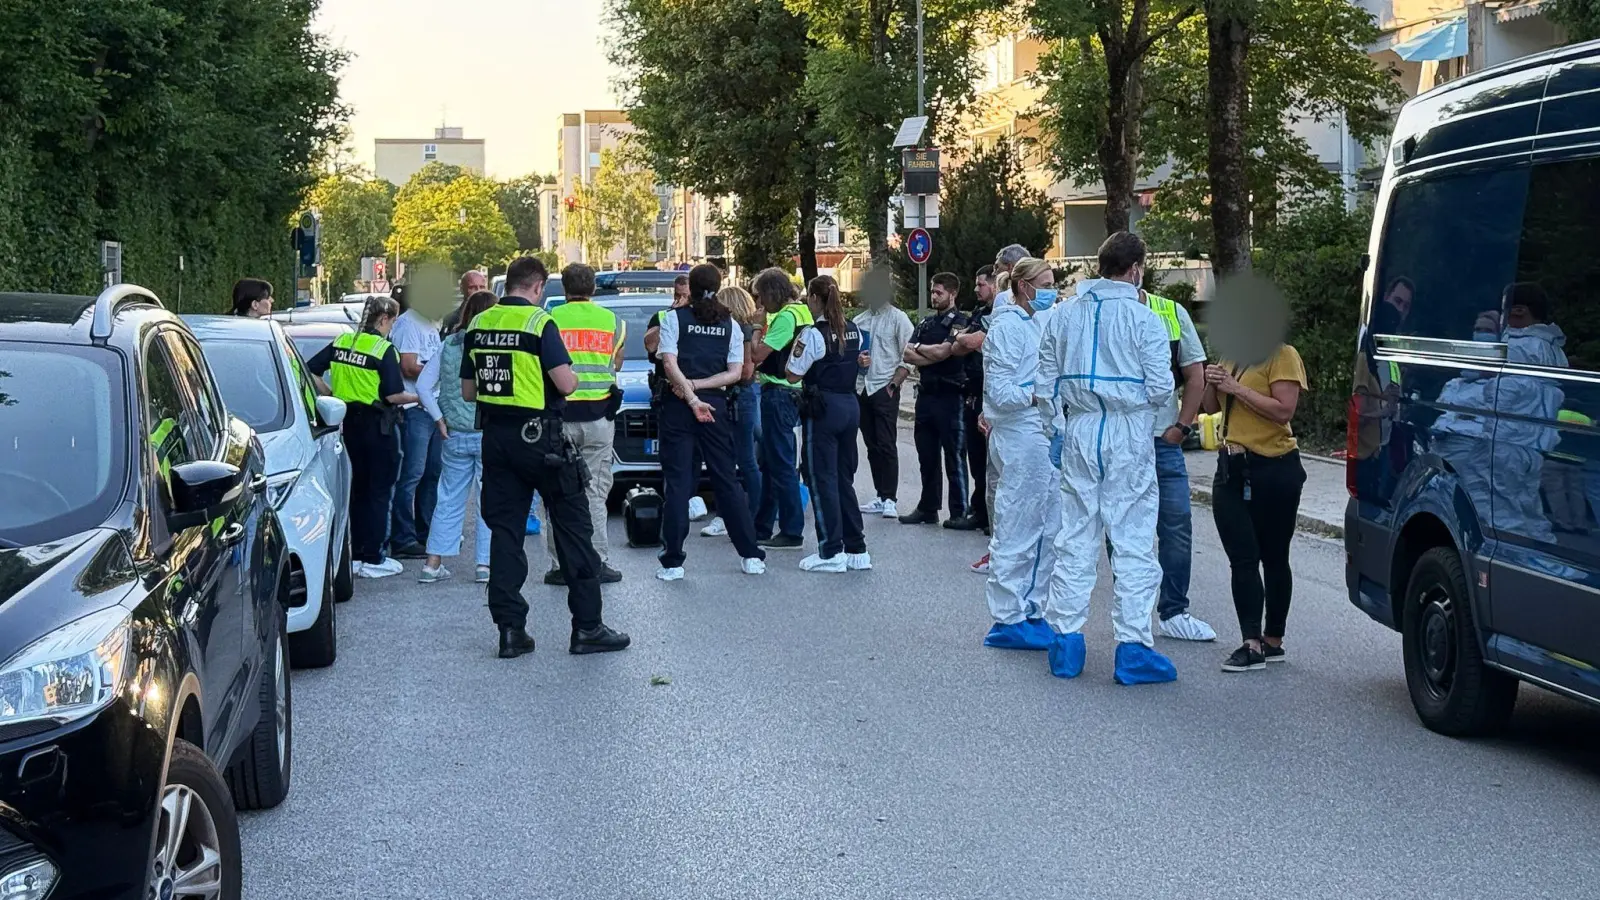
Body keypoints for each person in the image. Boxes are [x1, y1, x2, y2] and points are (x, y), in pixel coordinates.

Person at [462, 256, 630, 659]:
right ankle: (588, 627)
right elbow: (566, 382)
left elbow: (469, 392)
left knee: (505, 533)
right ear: (537, 287)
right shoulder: (539, 323)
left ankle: (510, 631)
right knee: (574, 527)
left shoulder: (478, 323)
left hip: (497, 439)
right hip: (542, 439)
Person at [1035, 231, 1177, 685]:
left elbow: (1044, 385)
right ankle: (1133, 648)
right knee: (1132, 538)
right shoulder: (1145, 320)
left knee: (1075, 535)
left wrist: (1055, 429)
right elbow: (1160, 388)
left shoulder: (1061, 316)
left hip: (1079, 428)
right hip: (1127, 430)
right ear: (1136, 269)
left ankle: (1065, 643)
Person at [1201, 302, 1309, 674]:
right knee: (1242, 557)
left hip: (1274, 468)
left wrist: (1236, 388)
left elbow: (1284, 410)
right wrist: (1211, 383)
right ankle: (1251, 641)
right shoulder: (1233, 356)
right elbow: (1212, 406)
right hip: (1232, 464)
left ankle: (1272, 638)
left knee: (1274, 556)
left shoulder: (1283, 356)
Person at [654, 264, 768, 580]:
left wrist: (689, 391)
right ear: (718, 287)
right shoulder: (729, 323)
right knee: (726, 480)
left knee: (678, 483)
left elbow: (668, 363)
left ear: (690, 286)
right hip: (715, 405)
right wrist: (702, 389)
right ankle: (750, 555)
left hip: (678, 406)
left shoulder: (673, 319)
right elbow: (736, 373)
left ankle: (673, 562)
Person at [306, 295, 417, 579]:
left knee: (353, 491)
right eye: (392, 321)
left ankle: (353, 555)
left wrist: (329, 394)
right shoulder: (383, 349)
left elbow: (308, 369)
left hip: (346, 425)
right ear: (384, 319)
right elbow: (393, 394)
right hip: (378, 427)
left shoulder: (343, 342)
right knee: (379, 492)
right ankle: (373, 557)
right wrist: (420, 397)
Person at [981, 258, 1059, 648]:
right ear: (1023, 286)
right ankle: (1008, 617)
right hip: (1020, 434)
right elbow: (1000, 393)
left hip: (1042, 433)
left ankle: (1032, 608)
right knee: (1018, 524)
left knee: (1047, 525)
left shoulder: (1041, 322)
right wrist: (1036, 395)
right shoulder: (1007, 328)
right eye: (1044, 283)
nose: (1051, 290)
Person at [1139, 283, 1218, 642]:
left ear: (1138, 269)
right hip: (1119, 441)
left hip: (1162, 440)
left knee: (1176, 526)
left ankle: (1173, 611)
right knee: (1122, 531)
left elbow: (1195, 373)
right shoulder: (1094, 310)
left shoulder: (1170, 311)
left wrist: (1183, 426)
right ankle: (1133, 614)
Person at [543, 263, 625, 586]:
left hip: (559, 418)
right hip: (598, 418)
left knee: (558, 493)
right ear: (593, 289)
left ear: (563, 288)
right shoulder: (613, 322)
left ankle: (559, 565)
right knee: (595, 491)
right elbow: (615, 362)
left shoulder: (549, 320)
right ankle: (597, 561)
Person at [786, 275, 871, 573]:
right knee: (843, 478)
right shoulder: (855, 330)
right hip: (850, 405)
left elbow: (793, 374)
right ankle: (857, 548)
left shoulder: (812, 334)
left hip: (823, 409)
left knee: (821, 479)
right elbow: (860, 361)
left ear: (814, 299)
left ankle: (830, 551)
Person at [417, 289, 500, 584]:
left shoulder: (448, 344)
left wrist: (439, 419)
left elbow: (424, 387)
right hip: (488, 432)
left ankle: (432, 563)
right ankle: (484, 566)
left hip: (454, 433)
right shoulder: (493, 345)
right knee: (488, 499)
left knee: (448, 498)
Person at [901, 272, 972, 527]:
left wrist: (923, 351)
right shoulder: (926, 324)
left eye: (939, 292)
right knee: (927, 456)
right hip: (926, 395)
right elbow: (907, 354)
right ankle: (928, 507)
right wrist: (927, 352)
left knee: (954, 456)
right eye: (932, 291)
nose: (934, 296)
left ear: (952, 294)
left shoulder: (961, 322)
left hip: (950, 395)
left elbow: (946, 352)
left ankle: (958, 511)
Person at [749, 268, 812, 550]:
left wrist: (756, 328)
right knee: (772, 462)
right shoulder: (802, 312)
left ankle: (791, 530)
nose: (759, 303)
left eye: (761, 296)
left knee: (782, 465)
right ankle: (762, 526)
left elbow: (758, 355)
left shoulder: (785, 318)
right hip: (793, 392)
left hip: (779, 393)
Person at [387, 279, 447, 559]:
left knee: (432, 474)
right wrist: (441, 373)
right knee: (411, 475)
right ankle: (403, 538)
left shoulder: (429, 323)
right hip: (414, 411)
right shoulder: (409, 324)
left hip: (431, 408)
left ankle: (427, 533)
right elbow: (408, 366)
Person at [700, 285, 764, 538]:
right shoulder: (732, 330)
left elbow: (746, 371)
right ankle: (738, 515)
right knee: (732, 460)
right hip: (735, 397)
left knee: (743, 460)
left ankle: (748, 517)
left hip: (739, 396)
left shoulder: (742, 331)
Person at [854, 273, 913, 519]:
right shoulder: (859, 320)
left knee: (887, 444)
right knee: (871, 444)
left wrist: (894, 384)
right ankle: (879, 494)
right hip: (862, 387)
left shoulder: (899, 319)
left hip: (884, 387)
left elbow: (908, 355)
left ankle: (890, 497)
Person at [951, 265, 996, 535]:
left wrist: (962, 337)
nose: (977, 290)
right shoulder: (979, 313)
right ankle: (979, 509)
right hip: (972, 390)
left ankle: (988, 515)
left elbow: (970, 341)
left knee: (991, 460)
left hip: (989, 392)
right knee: (976, 458)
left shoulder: (999, 315)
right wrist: (962, 338)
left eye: (981, 285)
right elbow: (959, 345)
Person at [440, 270, 490, 334]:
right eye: (472, 287)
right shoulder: (451, 319)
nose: (478, 291)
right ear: (462, 289)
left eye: (482, 287)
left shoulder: (493, 316)